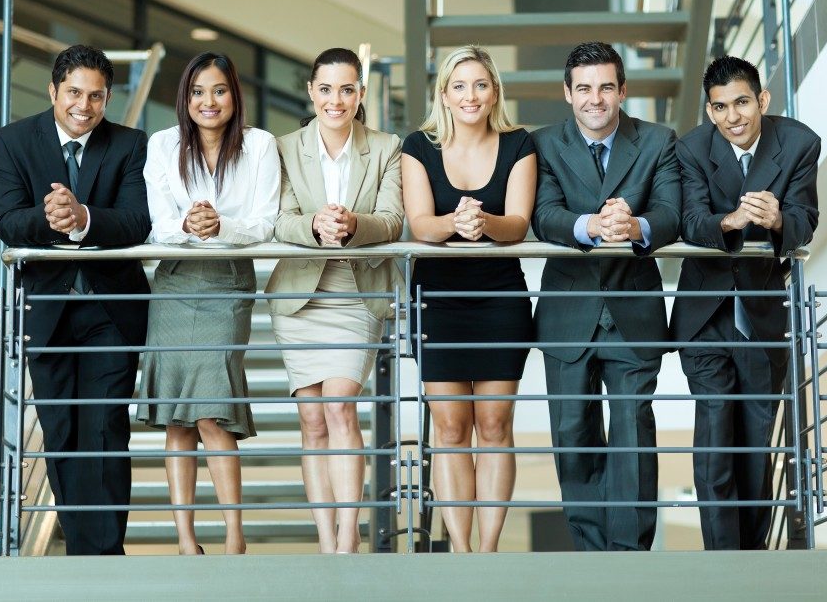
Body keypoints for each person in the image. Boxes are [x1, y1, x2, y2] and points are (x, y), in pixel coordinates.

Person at [0, 44, 151, 555]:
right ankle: (85, 552)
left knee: (103, 427)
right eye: (75, 93)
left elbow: (135, 222)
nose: (85, 105)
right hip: (48, 310)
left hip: (110, 311)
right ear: (54, 90)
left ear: (108, 98)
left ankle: (104, 556)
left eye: (97, 96)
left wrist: (83, 217)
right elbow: (9, 221)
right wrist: (54, 215)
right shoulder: (13, 141)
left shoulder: (130, 144)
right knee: (61, 432)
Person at [530, 41, 681, 552]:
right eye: (585, 88)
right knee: (572, 434)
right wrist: (589, 226)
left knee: (633, 433)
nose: (596, 99)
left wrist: (634, 225)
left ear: (622, 90)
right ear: (567, 93)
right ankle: (592, 554)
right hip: (568, 313)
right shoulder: (544, 143)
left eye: (606, 87)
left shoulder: (658, 140)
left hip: (633, 309)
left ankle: (630, 555)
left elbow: (670, 212)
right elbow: (543, 214)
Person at [671, 55, 820, 550]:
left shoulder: (798, 143)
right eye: (720, 107)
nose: (733, 116)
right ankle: (722, 563)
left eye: (741, 102)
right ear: (709, 111)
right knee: (715, 445)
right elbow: (690, 221)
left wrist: (778, 220)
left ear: (762, 100)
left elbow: (806, 220)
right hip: (705, 316)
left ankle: (752, 561)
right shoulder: (691, 148)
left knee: (756, 447)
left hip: (760, 313)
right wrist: (731, 221)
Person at [136, 52, 280, 555]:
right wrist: (188, 226)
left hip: (228, 281)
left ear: (234, 95)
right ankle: (185, 540)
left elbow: (266, 221)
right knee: (177, 416)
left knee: (212, 414)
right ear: (185, 98)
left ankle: (235, 539)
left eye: (218, 90)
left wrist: (221, 226)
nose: (208, 101)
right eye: (198, 91)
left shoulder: (260, 145)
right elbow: (156, 223)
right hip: (174, 282)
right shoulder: (163, 144)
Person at [266, 48, 403, 554]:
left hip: (357, 289)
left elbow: (391, 220)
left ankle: (349, 540)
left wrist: (352, 226)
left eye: (347, 89)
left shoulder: (388, 147)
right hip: (302, 295)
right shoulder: (284, 148)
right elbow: (278, 220)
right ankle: (327, 542)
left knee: (341, 405)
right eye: (326, 89)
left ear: (361, 94)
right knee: (312, 418)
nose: (336, 100)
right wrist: (313, 225)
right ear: (311, 92)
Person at [402, 45, 536, 553]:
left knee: (495, 423)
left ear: (495, 91)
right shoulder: (418, 146)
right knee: (451, 427)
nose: (471, 95)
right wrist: (454, 225)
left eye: (480, 84)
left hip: (499, 295)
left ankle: (488, 549)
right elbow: (419, 224)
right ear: (444, 94)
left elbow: (518, 224)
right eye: (459, 86)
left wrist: (485, 224)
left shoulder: (519, 143)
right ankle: (460, 549)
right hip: (437, 297)